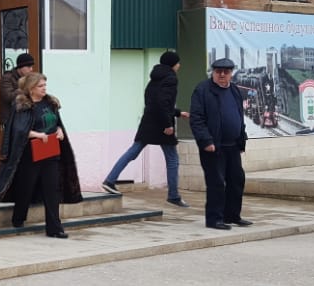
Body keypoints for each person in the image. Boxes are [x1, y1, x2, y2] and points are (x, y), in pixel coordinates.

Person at [0, 72, 84, 237]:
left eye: (45, 85)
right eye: (40, 86)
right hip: (30, 154)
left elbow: (56, 122)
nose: (44, 88)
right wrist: (37, 135)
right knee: (26, 188)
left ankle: (54, 229)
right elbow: (18, 130)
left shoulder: (50, 103)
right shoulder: (22, 105)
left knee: (52, 190)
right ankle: (18, 217)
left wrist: (59, 130)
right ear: (31, 89)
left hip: (51, 152)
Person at [100, 50, 191, 207]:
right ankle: (173, 196)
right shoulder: (170, 78)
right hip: (161, 125)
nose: (179, 65)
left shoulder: (154, 78)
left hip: (148, 121)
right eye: (178, 63)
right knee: (172, 159)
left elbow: (154, 101)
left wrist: (177, 113)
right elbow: (163, 102)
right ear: (173, 64)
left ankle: (110, 180)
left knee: (133, 152)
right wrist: (168, 124)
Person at [188, 57, 252, 231]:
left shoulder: (234, 90)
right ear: (213, 72)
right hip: (213, 147)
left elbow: (239, 116)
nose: (222, 75)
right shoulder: (203, 90)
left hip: (233, 146)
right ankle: (214, 219)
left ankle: (232, 216)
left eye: (226, 72)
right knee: (216, 183)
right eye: (218, 72)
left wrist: (241, 139)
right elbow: (196, 119)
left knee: (237, 180)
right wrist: (205, 141)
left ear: (231, 73)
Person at [0, 52, 36, 126]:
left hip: (26, 116)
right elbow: (8, 97)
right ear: (20, 67)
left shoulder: (28, 78)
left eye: (32, 67)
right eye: (28, 67)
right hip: (11, 119)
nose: (31, 69)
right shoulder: (7, 78)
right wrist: (24, 89)